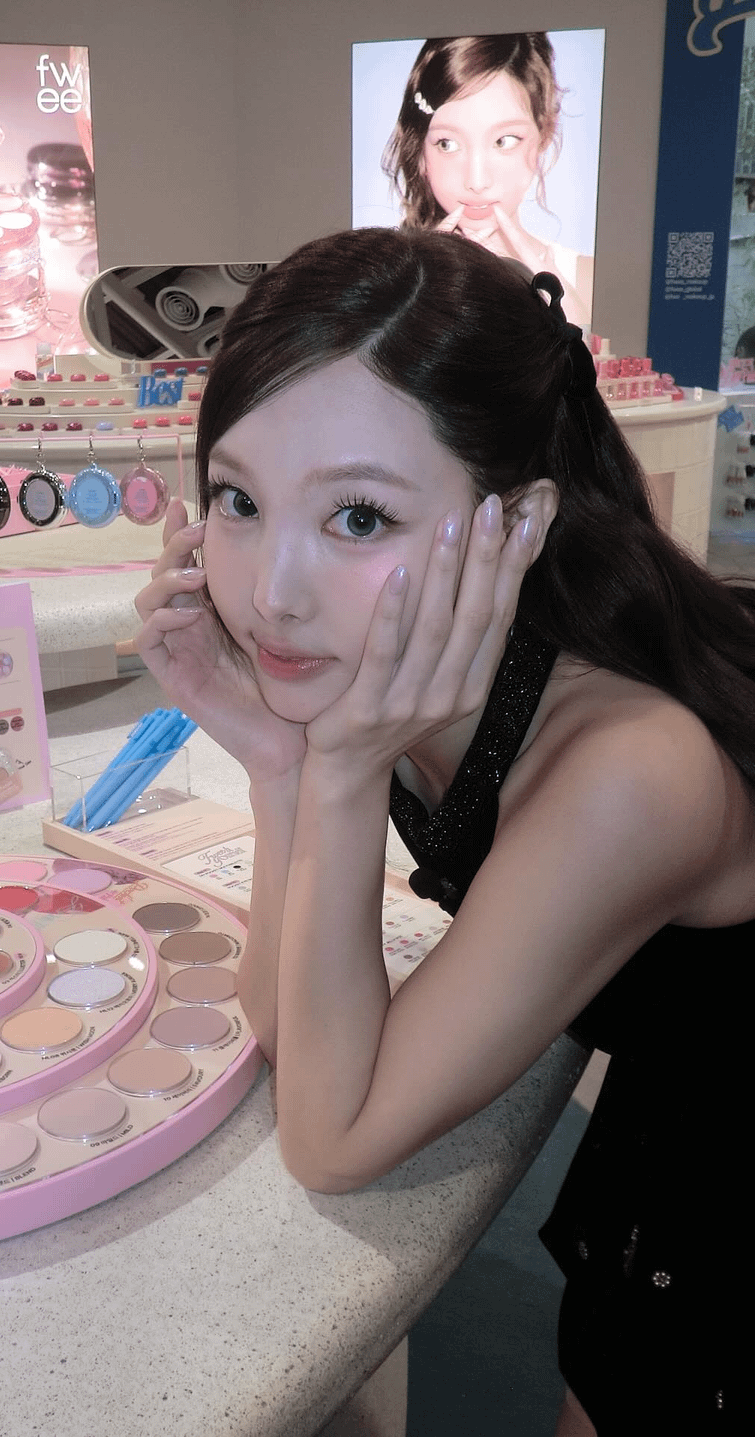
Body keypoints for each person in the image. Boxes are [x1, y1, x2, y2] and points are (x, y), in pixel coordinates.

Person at [135, 229, 745, 1435]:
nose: (273, 593)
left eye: (360, 518)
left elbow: (332, 1135)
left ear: (517, 523)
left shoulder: (626, 768)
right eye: (240, 501)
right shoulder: (419, 680)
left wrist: (339, 770)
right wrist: (281, 766)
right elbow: (291, 1028)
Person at [382, 33, 594, 327]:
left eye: (504, 141)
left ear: (544, 135)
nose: (477, 181)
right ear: (419, 151)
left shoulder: (586, 280)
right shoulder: (381, 281)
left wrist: (572, 323)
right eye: (447, 144)